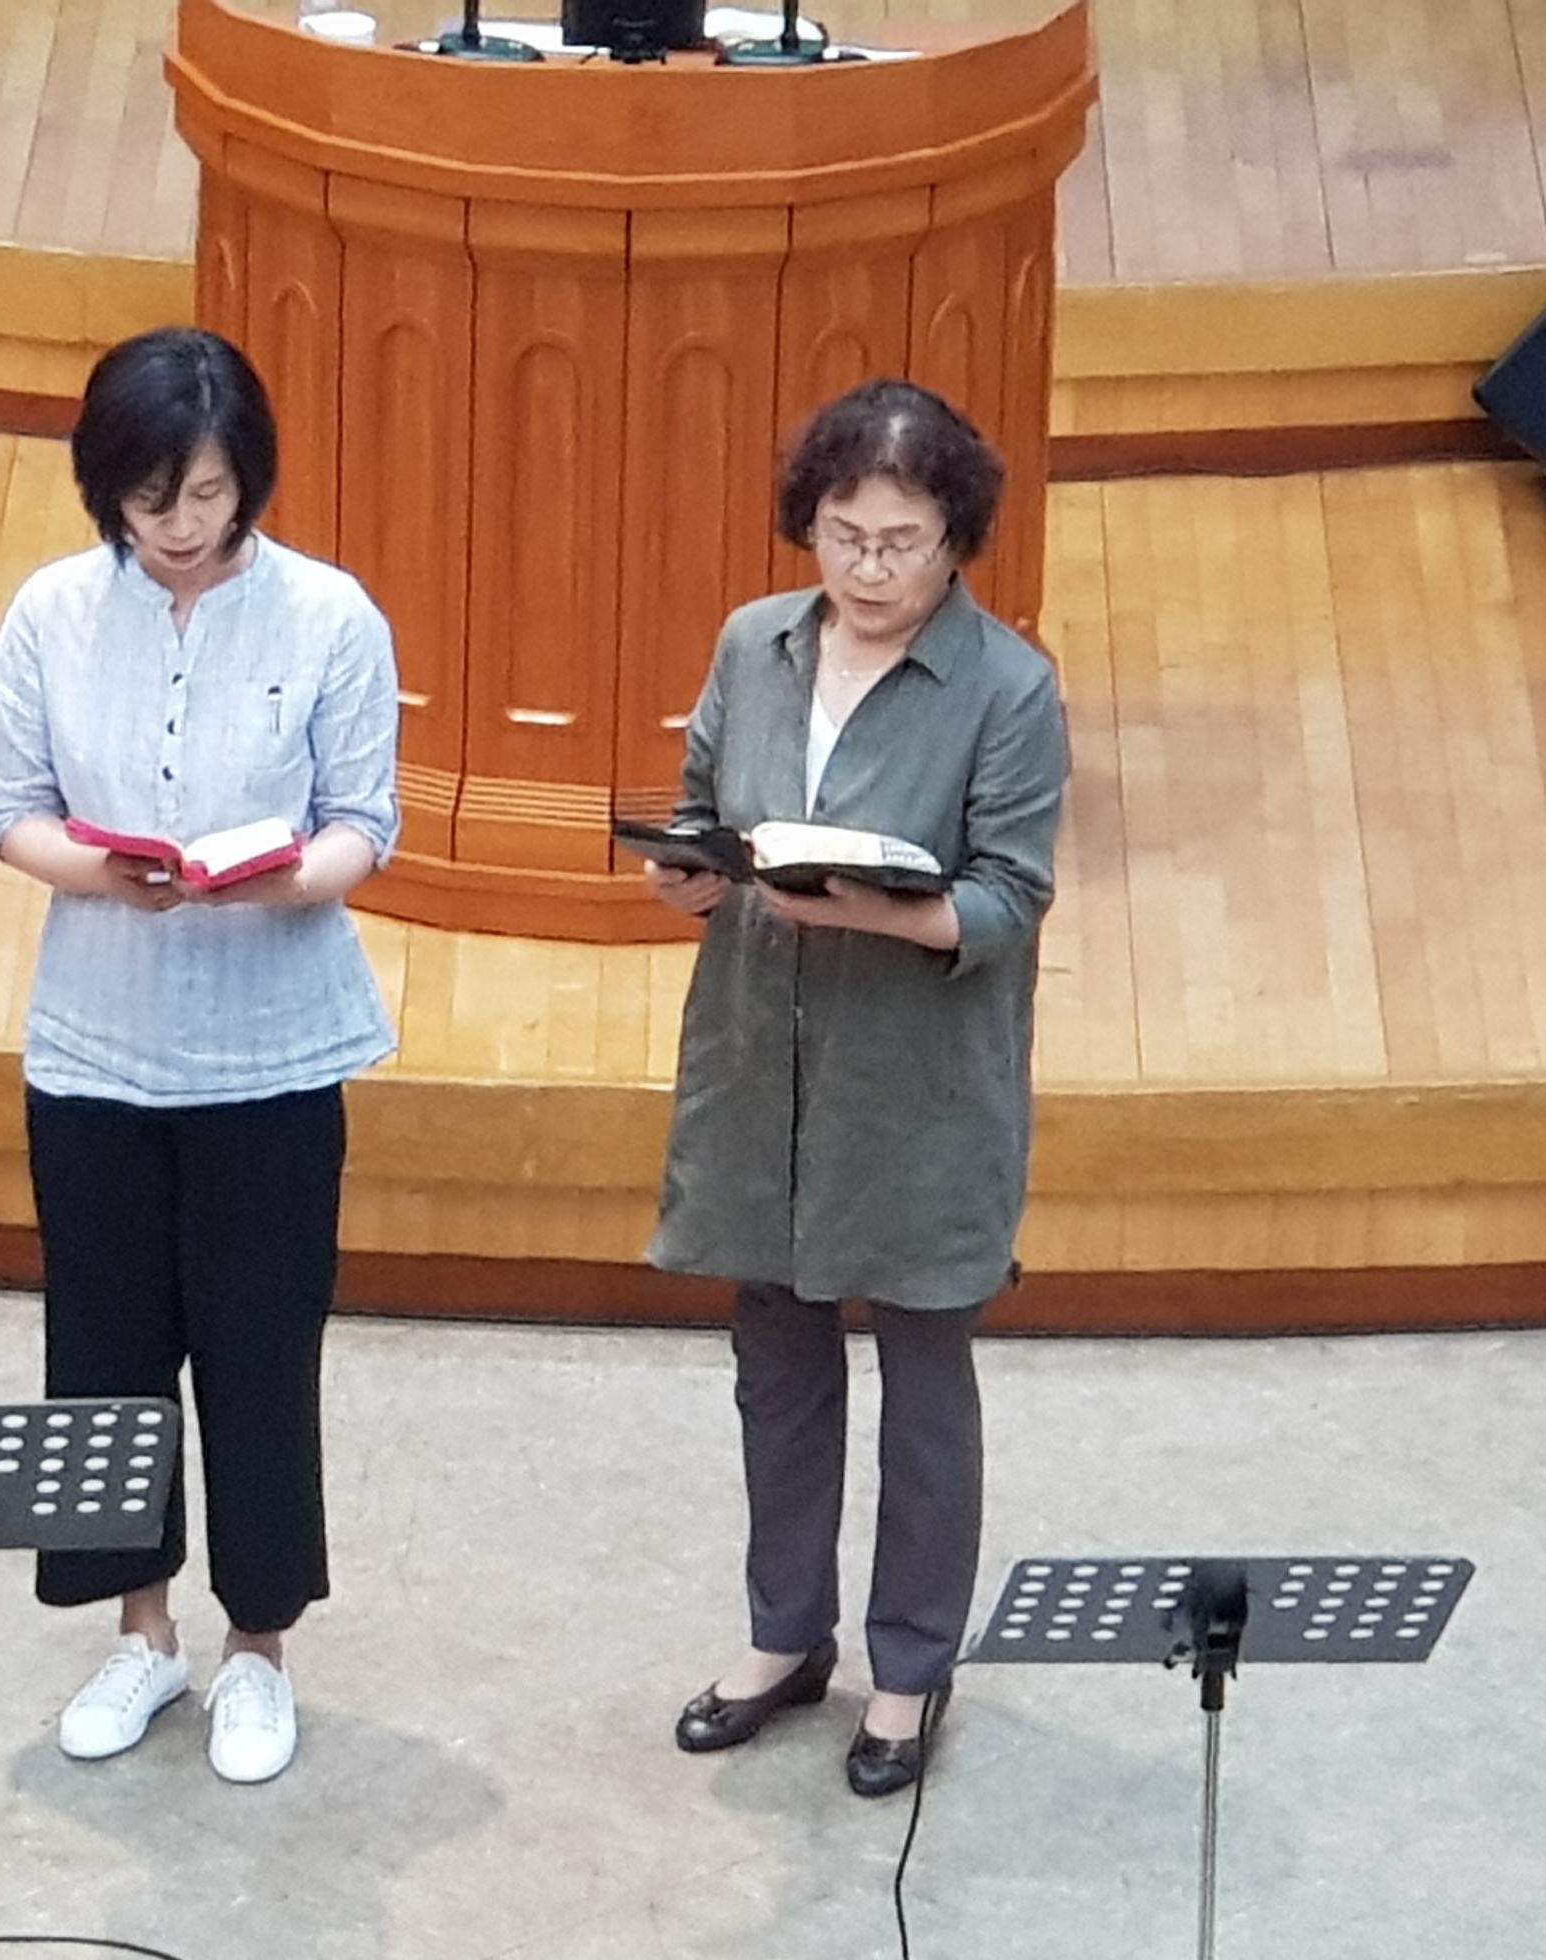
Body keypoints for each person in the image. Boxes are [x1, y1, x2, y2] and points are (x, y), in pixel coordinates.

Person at [0, 326, 399, 1787]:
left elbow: (364, 822)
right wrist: (102, 871)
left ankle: (258, 1652)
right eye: (152, 497)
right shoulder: (49, 611)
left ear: (249, 481)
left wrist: (281, 877)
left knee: (260, 1355)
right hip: (94, 1049)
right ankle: (142, 1633)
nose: (180, 522)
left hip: (271, 1055)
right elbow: (12, 809)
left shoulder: (330, 616)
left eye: (208, 494)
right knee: (104, 1354)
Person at [651, 378, 1064, 1799]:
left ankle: (910, 1669)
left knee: (926, 1381)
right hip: (763, 1060)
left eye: (902, 542)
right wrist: (686, 875)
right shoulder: (753, 643)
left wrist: (876, 912)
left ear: (956, 538)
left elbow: (1010, 898)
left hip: (918, 1085)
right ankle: (784, 1636)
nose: (870, 569)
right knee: (776, 1361)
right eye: (844, 535)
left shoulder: (1007, 687)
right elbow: (705, 809)